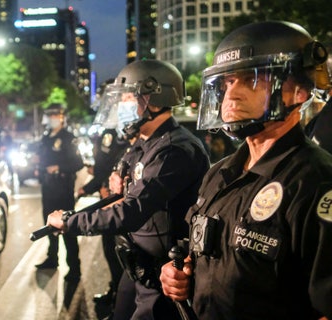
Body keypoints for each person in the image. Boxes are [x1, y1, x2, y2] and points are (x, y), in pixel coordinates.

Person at [159, 21, 332, 319]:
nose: (232, 95)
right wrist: (178, 272)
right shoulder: (219, 174)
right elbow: (200, 247)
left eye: (251, 79)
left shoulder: (315, 181)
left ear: (299, 91)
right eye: (227, 83)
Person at [46, 60, 210, 320]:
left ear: (154, 98)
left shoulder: (174, 149)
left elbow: (132, 209)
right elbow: (121, 191)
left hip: (162, 275)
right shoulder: (144, 143)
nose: (122, 106)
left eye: (128, 97)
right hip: (137, 267)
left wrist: (70, 222)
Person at [77, 86, 131, 307]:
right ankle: (116, 292)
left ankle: (121, 298)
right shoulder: (112, 129)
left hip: (119, 199)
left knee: (120, 252)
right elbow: (102, 167)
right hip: (109, 196)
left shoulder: (121, 131)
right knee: (111, 251)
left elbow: (107, 166)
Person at [34, 103, 84, 282]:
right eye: (50, 114)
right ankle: (52, 258)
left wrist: (58, 168)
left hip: (63, 189)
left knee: (67, 228)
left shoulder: (69, 138)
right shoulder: (46, 137)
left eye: (56, 114)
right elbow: (42, 157)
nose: (53, 117)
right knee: (49, 226)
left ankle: (74, 268)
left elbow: (79, 163)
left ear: (62, 116)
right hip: (47, 189)